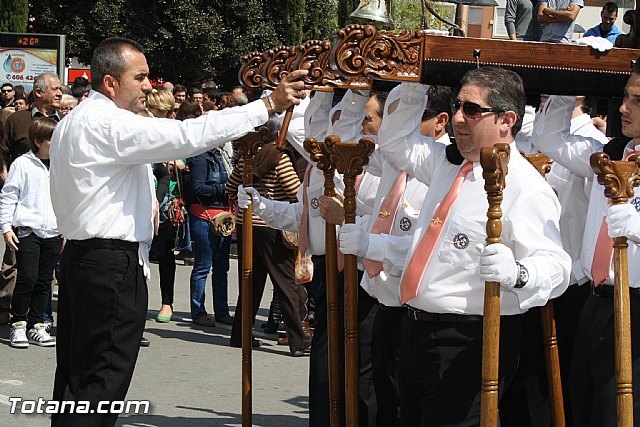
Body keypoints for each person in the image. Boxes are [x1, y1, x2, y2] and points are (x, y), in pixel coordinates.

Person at [49, 36, 306, 426]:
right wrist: (266, 106)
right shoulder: (108, 123)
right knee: (102, 378)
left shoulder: (74, 121)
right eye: (141, 77)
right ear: (110, 83)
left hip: (83, 260)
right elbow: (187, 136)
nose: (149, 86)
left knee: (75, 376)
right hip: (108, 265)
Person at [372, 68, 570, 425]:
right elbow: (395, 141)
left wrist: (519, 272)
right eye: (457, 105)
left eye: (473, 110)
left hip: (469, 340)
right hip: (415, 328)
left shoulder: (524, 188)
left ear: (506, 120)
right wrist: (418, 80)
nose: (459, 117)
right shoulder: (449, 165)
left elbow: (556, 265)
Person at [530, 60, 640, 427]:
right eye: (625, 96)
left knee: (617, 413)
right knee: (581, 402)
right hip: (597, 300)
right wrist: (571, 73)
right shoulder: (610, 155)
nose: (623, 108)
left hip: (635, 307)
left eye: (637, 101)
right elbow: (549, 138)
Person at [228, 117, 308, 354]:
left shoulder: (247, 158)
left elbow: (231, 188)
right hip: (272, 224)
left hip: (246, 225)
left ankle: (240, 335)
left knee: (249, 282)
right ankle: (298, 340)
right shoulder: (279, 157)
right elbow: (295, 190)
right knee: (285, 284)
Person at [0, 117, 61, 348]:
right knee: (27, 278)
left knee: (45, 281)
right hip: (27, 230)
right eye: (51, 140)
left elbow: (64, 199)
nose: (57, 144)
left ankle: (37, 324)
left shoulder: (59, 166)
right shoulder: (22, 164)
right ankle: (18, 323)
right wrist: (6, 228)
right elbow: (8, 196)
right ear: (38, 141)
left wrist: (64, 227)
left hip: (53, 231)